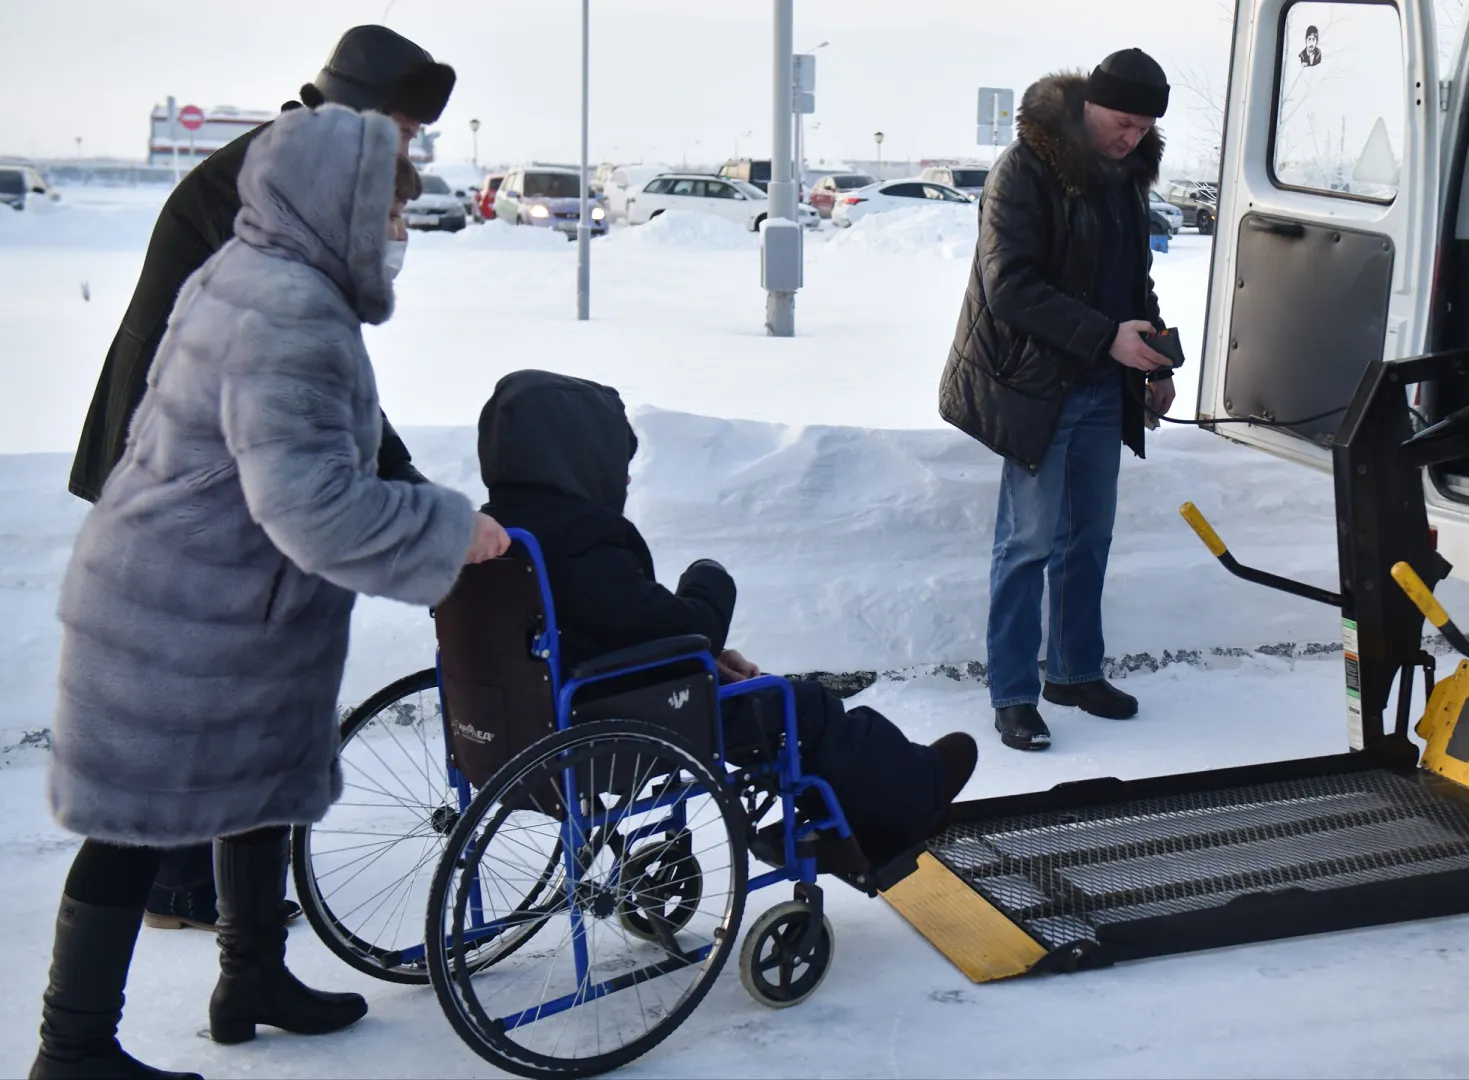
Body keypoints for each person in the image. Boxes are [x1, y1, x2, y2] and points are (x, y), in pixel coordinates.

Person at [32, 107, 509, 1080]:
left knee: (259, 769)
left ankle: (251, 978)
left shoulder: (282, 285)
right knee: (136, 813)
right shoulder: (280, 306)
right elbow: (309, 503)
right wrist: (447, 535)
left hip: (225, 582)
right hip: (177, 594)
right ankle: (71, 1050)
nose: (398, 239)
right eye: (388, 217)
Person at [64, 24, 456, 934]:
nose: (406, 150)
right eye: (400, 126)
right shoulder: (278, 179)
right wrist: (399, 491)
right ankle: (165, 900)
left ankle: (242, 953)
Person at [476, 370, 977, 868]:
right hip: (629, 715)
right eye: (615, 460)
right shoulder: (577, 540)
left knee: (769, 703)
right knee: (803, 708)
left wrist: (704, 658)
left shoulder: (503, 538)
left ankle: (854, 809)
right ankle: (915, 791)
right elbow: (676, 627)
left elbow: (617, 622)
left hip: (544, 713)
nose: (625, 477)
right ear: (576, 458)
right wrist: (707, 581)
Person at [938, 49, 1175, 752]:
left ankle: (1072, 672)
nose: (1131, 138)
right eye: (1122, 122)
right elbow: (1009, 284)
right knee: (1028, 542)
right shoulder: (1024, 169)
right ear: (1090, 106)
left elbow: (1136, 279)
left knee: (1088, 537)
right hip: (1035, 385)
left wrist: (1154, 359)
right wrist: (1108, 338)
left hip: (1104, 383)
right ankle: (1012, 692)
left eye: (1143, 129)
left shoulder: (1126, 176)